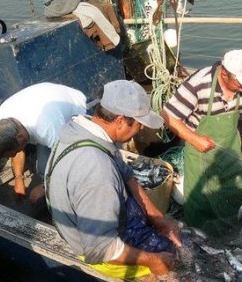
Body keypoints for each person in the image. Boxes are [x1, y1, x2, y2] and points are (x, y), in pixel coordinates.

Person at [45, 80, 181, 279]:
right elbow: (102, 248)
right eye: (139, 123)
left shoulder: (81, 130)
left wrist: (157, 217)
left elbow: (126, 173)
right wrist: (154, 261)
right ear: (120, 120)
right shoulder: (97, 170)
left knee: (174, 241)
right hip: (103, 255)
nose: (142, 129)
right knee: (173, 260)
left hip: (99, 223)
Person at [162, 49, 242, 233]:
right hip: (200, 154)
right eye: (241, 84)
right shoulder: (198, 84)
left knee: (234, 194)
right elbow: (168, 116)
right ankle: (198, 240)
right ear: (224, 74)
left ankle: (230, 232)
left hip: (230, 150)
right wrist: (194, 138)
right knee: (201, 201)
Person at [0, 82, 86, 202]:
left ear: (21, 137)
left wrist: (44, 188)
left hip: (76, 111)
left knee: (62, 174)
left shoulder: (48, 128)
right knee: (44, 169)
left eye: (14, 152)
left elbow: (69, 162)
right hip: (44, 106)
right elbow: (16, 148)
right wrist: (19, 178)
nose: (13, 156)